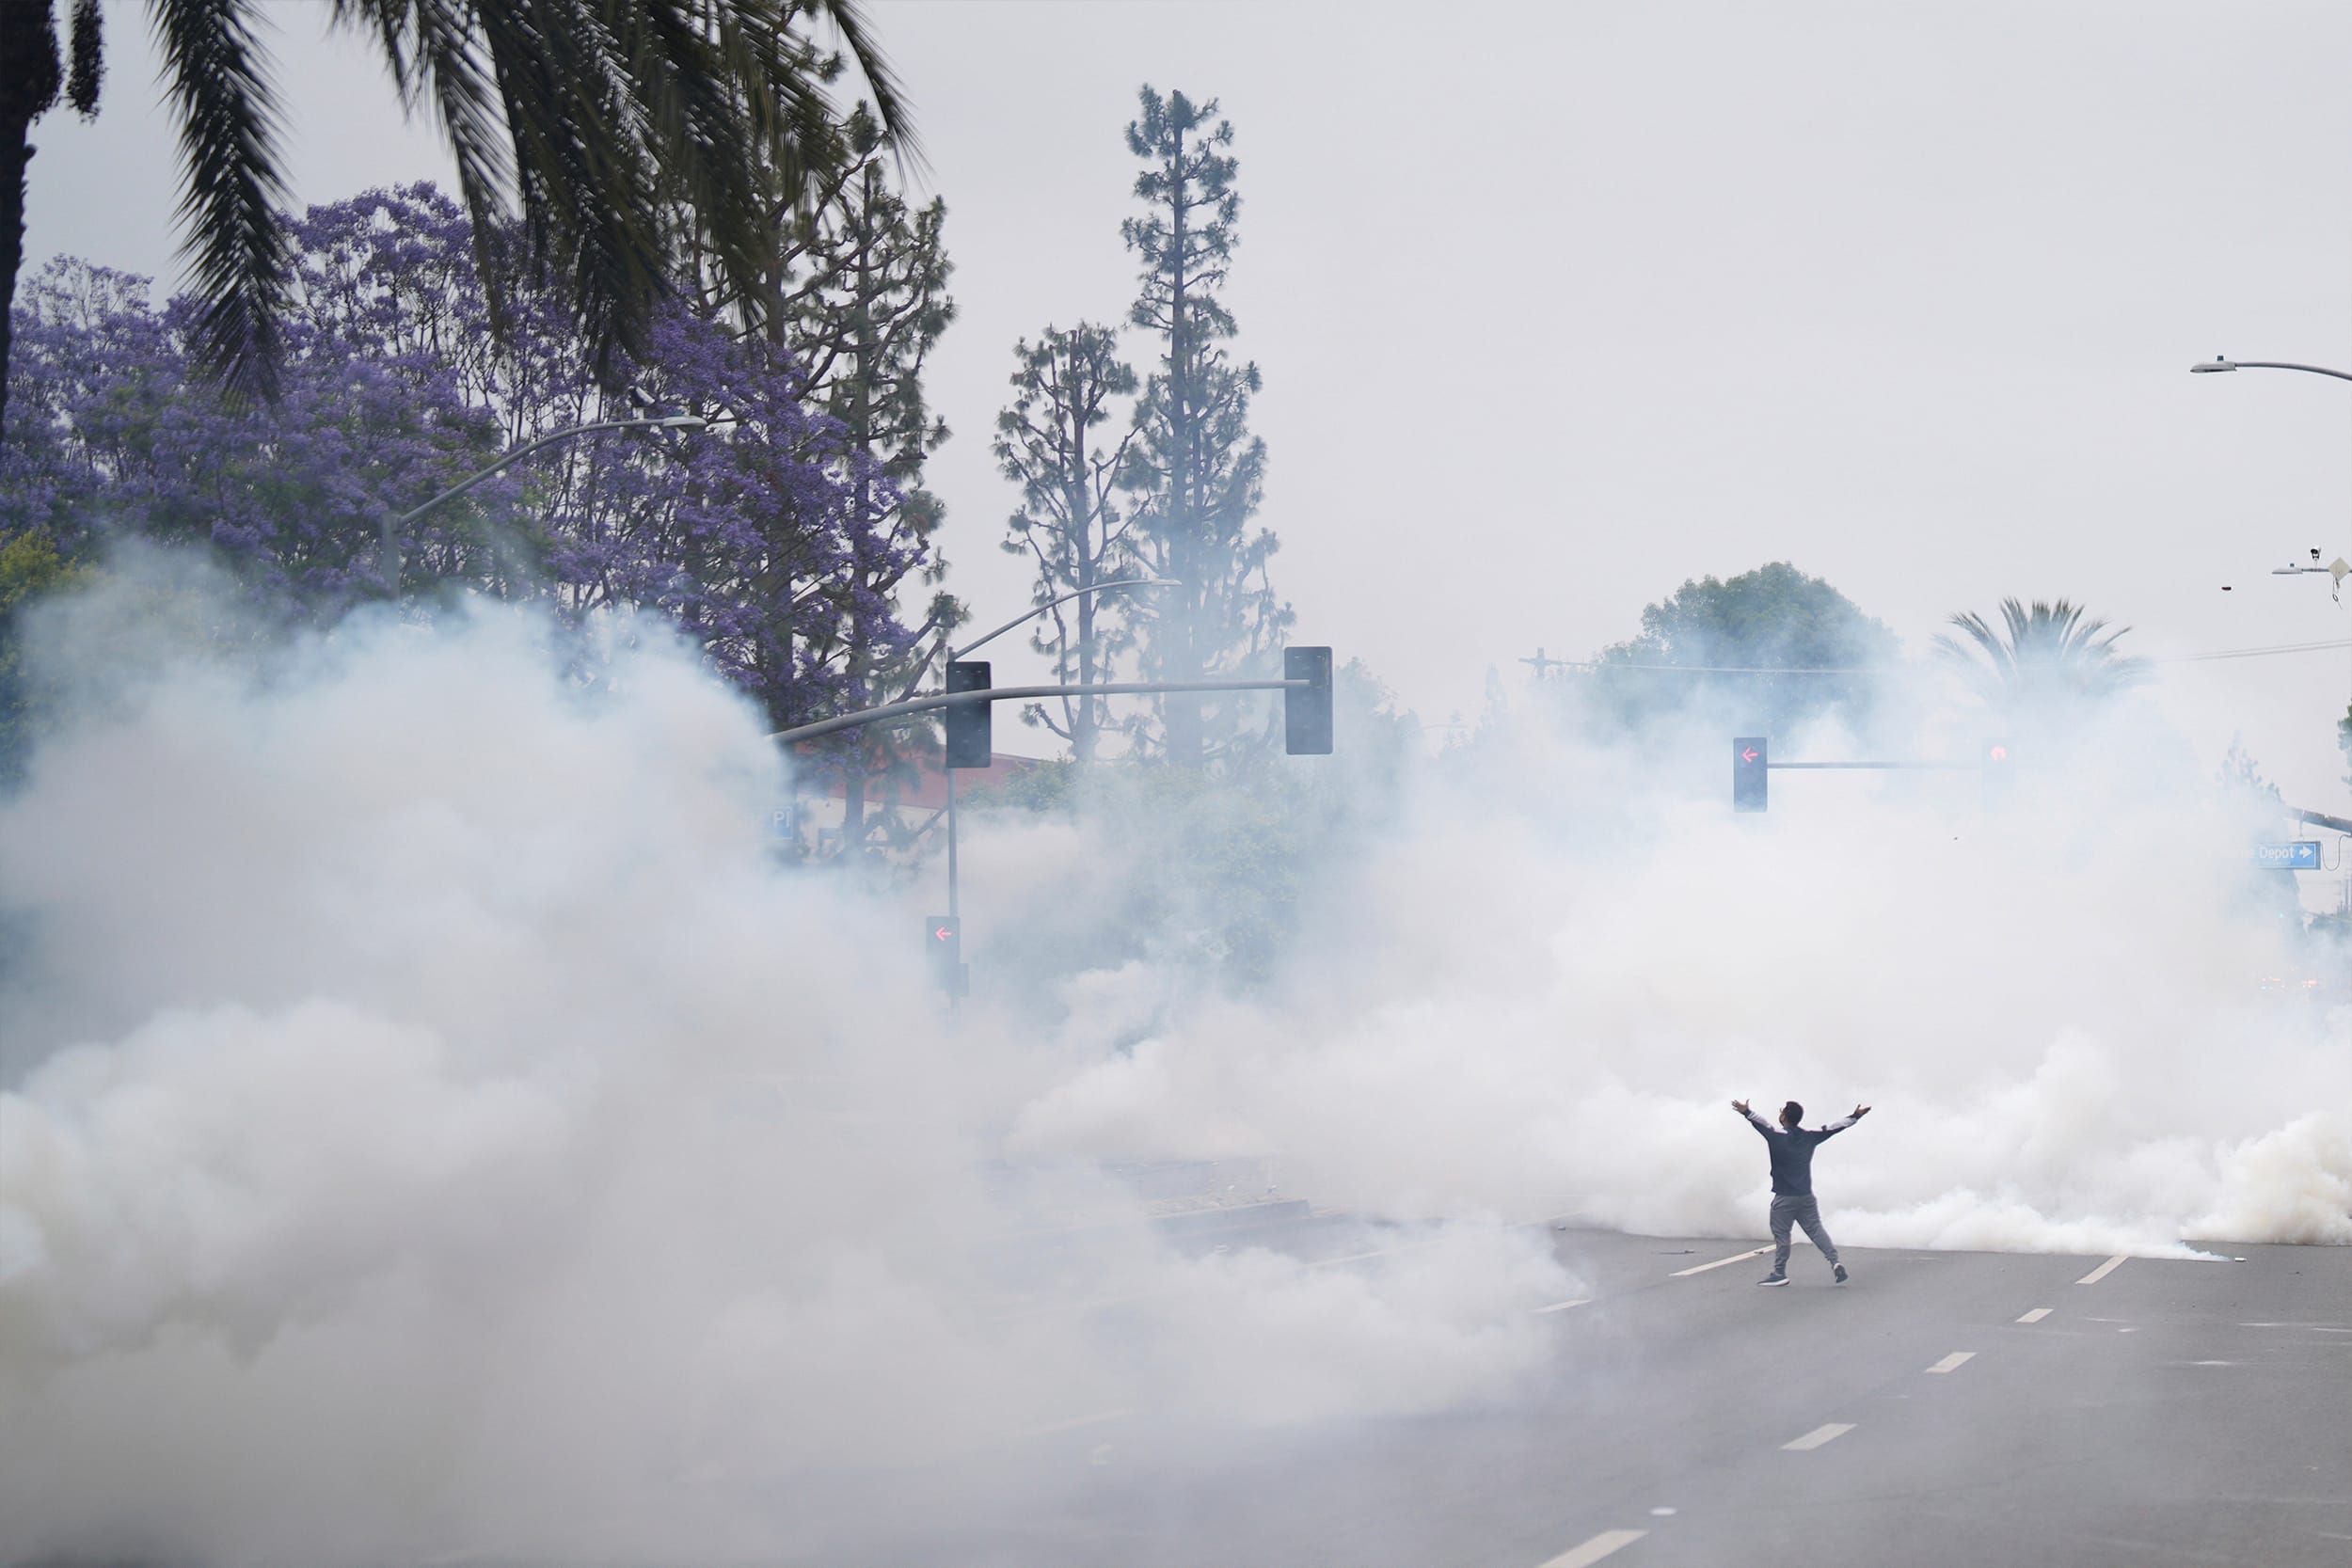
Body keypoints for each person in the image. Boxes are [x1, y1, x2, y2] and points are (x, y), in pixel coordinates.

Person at [1731, 1098, 1870, 1286]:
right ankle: (1835, 1262)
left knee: (1782, 1235)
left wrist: (1746, 1112)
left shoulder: (1776, 1136)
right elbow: (1834, 1127)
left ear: (1784, 1116)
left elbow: (1760, 1123)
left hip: (1784, 1198)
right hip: (1805, 1196)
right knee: (1816, 1230)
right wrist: (1855, 1116)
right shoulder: (1809, 1136)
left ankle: (1779, 1273)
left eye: (1782, 1111)